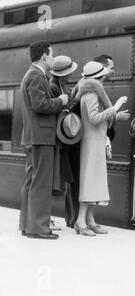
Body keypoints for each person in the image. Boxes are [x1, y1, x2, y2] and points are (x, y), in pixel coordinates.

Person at [19, 40, 69, 239]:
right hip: (42, 137)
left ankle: (27, 226)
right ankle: (39, 228)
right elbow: (40, 105)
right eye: (52, 55)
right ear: (44, 56)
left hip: (34, 136)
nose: (54, 58)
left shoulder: (31, 75)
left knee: (31, 182)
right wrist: (61, 101)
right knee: (41, 183)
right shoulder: (37, 76)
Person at [74, 61, 127, 236]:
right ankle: (81, 222)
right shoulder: (91, 94)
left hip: (93, 141)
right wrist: (115, 108)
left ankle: (89, 220)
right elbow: (95, 118)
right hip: (91, 142)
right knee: (90, 181)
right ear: (99, 77)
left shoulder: (88, 92)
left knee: (93, 180)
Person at [49, 55, 78, 230]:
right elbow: (59, 109)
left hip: (62, 139)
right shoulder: (54, 87)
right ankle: (48, 216)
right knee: (54, 179)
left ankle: (53, 216)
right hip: (57, 139)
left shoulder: (61, 85)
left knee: (60, 179)